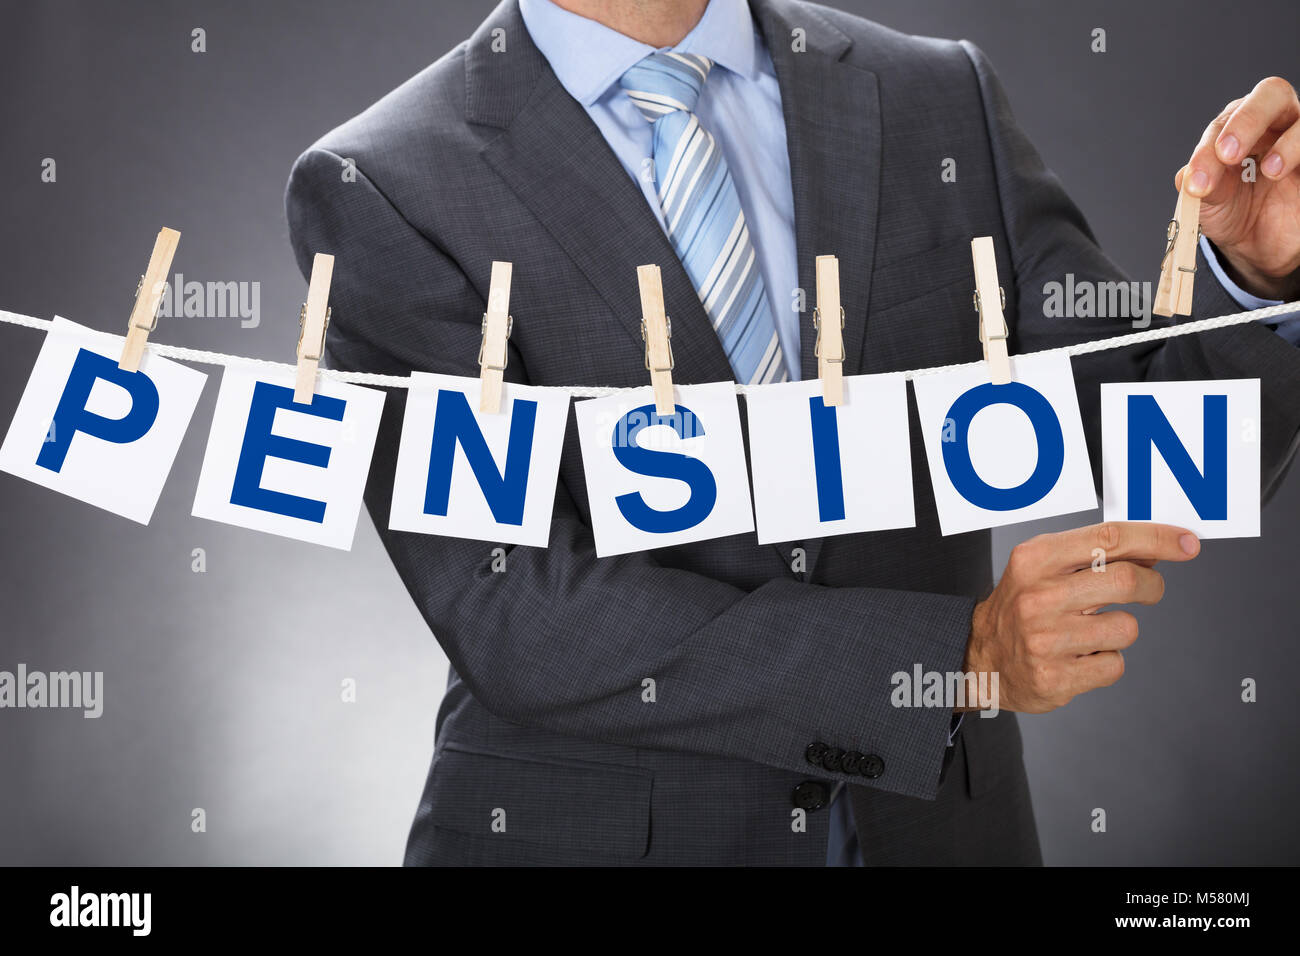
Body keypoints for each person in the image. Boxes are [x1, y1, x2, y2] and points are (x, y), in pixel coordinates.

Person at [285, 0, 1300, 865]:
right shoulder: (383, 182)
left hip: (940, 832)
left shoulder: (936, 95)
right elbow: (518, 606)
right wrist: (959, 657)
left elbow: (1164, 451)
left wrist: (1258, 281)